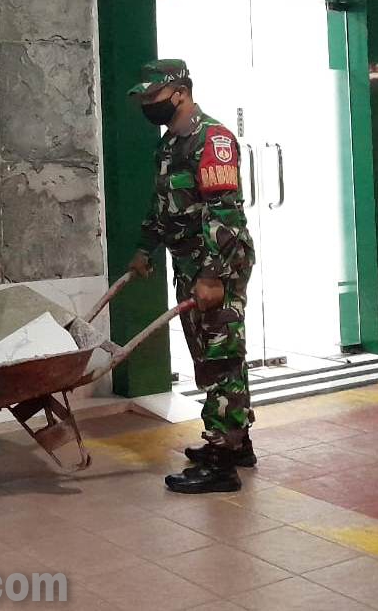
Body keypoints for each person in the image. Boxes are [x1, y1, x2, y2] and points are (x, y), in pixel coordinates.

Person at [126, 59, 257, 494]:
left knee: (220, 357)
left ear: (179, 92)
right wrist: (146, 248)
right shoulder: (170, 146)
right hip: (189, 264)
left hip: (216, 265)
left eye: (153, 97)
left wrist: (213, 275)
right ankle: (238, 442)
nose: (147, 104)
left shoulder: (213, 140)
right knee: (211, 354)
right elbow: (161, 204)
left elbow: (226, 214)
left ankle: (222, 463)